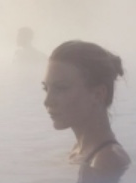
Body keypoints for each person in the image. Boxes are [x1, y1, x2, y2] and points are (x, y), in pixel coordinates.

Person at [43, 40, 130, 172]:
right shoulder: (80, 151)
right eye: (46, 88)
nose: (47, 101)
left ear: (97, 94)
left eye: (61, 88)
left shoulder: (107, 160)